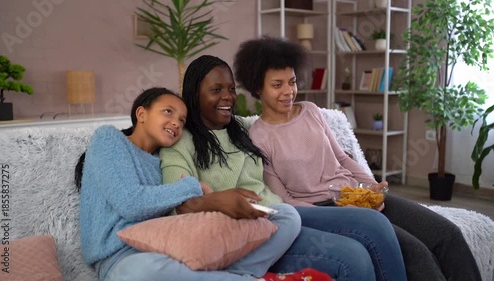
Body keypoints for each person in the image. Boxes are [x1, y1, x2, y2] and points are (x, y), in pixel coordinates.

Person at [234, 36, 482, 281]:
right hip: (324, 209)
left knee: (447, 234)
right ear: (258, 88)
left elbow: (342, 157)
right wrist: (346, 213)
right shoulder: (258, 138)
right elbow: (285, 200)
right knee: (418, 254)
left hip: (357, 194)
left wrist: (371, 186)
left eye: (292, 82)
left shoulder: (310, 111)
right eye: (277, 85)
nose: (289, 91)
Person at [161, 55, 408, 281]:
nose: (228, 97)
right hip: (250, 232)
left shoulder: (239, 127)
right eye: (216, 90)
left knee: (374, 225)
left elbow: (277, 125)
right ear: (194, 95)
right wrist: (215, 200)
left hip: (282, 215)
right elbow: (178, 202)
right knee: (353, 255)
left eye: (231, 89)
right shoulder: (181, 142)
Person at [74, 87, 329, 281]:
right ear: (141, 113)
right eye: (168, 112)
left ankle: (241, 275)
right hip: (121, 260)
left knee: (286, 215)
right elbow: (131, 203)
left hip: (174, 249)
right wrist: (192, 186)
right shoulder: (108, 139)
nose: (176, 122)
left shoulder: (163, 160)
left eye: (182, 120)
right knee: (142, 272)